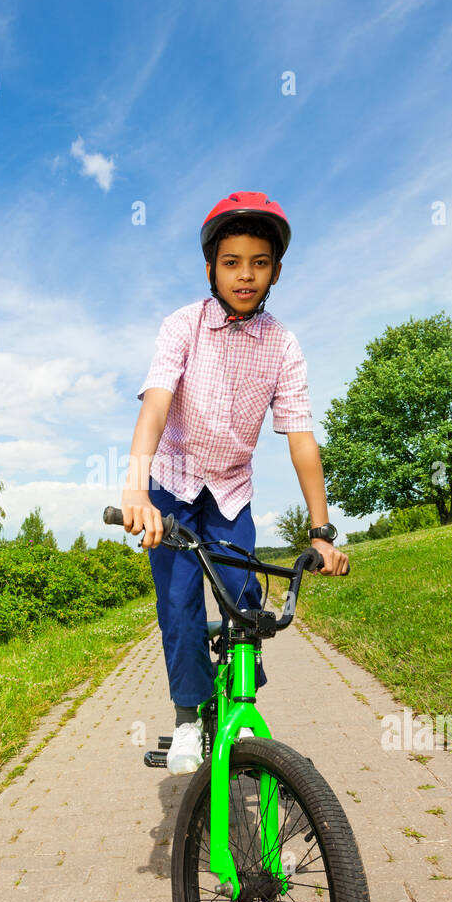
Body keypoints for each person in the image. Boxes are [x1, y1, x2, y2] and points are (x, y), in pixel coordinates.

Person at [120, 190, 350, 773]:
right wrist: (136, 489)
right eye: (231, 262)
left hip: (228, 492)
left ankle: (238, 701)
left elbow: (300, 436)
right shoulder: (182, 326)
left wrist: (321, 530)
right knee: (179, 604)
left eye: (259, 262)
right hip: (171, 485)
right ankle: (190, 717)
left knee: (247, 603)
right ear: (210, 269)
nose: (245, 275)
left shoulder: (283, 344)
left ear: (274, 271)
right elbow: (155, 405)